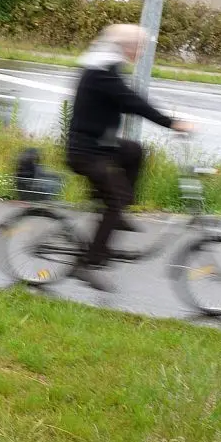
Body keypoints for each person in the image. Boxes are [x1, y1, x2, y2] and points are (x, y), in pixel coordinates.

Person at [65, 23, 195, 289]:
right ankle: (87, 263)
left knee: (134, 151)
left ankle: (116, 210)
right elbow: (132, 101)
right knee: (117, 199)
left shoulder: (107, 65)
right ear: (125, 46)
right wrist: (172, 123)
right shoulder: (102, 71)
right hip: (85, 152)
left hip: (99, 145)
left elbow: (128, 100)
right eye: (139, 47)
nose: (141, 52)